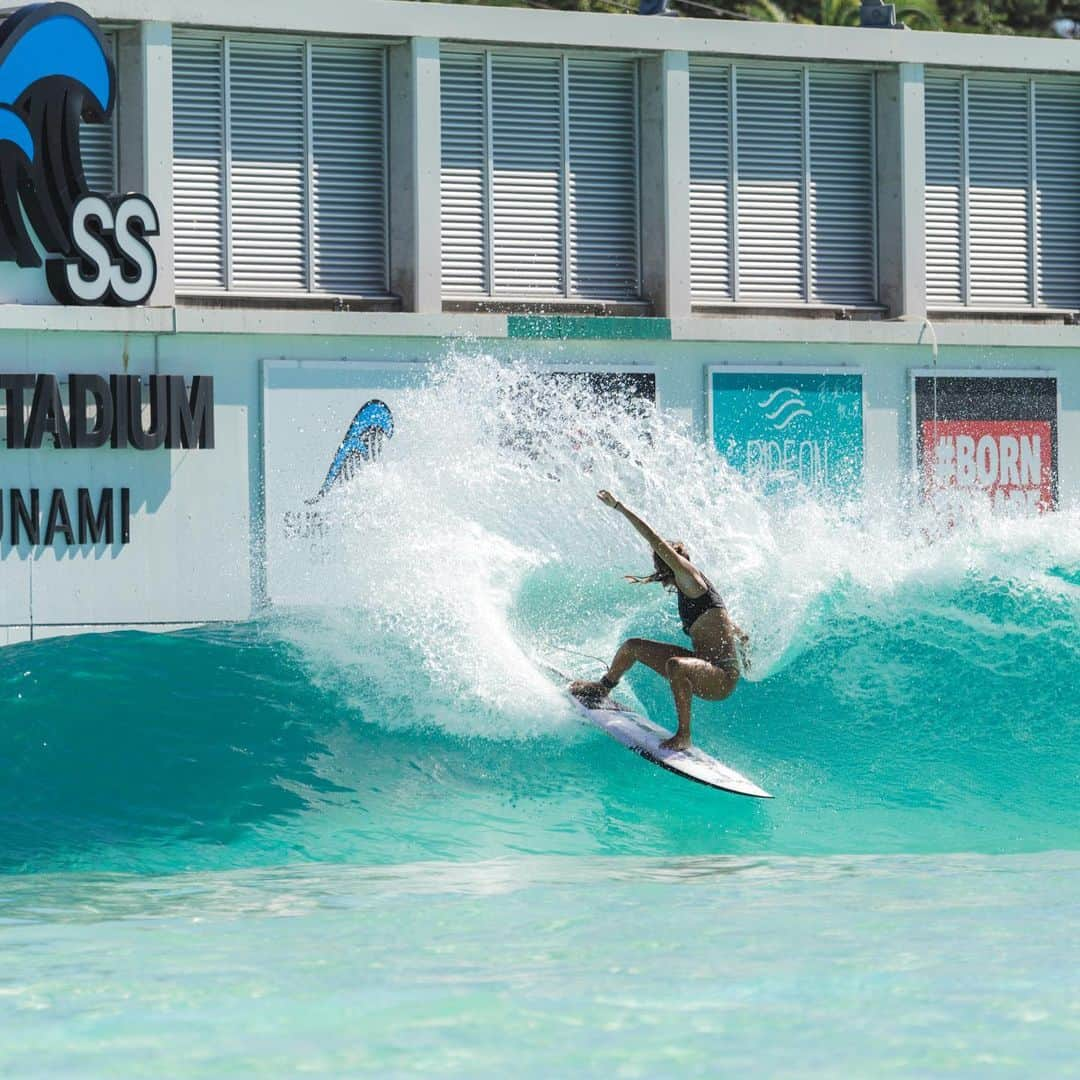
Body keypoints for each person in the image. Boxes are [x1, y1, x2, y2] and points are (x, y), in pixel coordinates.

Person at [569, 490, 748, 752]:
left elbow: (654, 539)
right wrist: (746, 647)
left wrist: (619, 506)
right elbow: (733, 629)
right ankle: (603, 687)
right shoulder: (695, 592)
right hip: (704, 666)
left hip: (720, 679)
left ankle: (684, 736)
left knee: (677, 665)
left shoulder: (691, 578)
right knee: (632, 647)